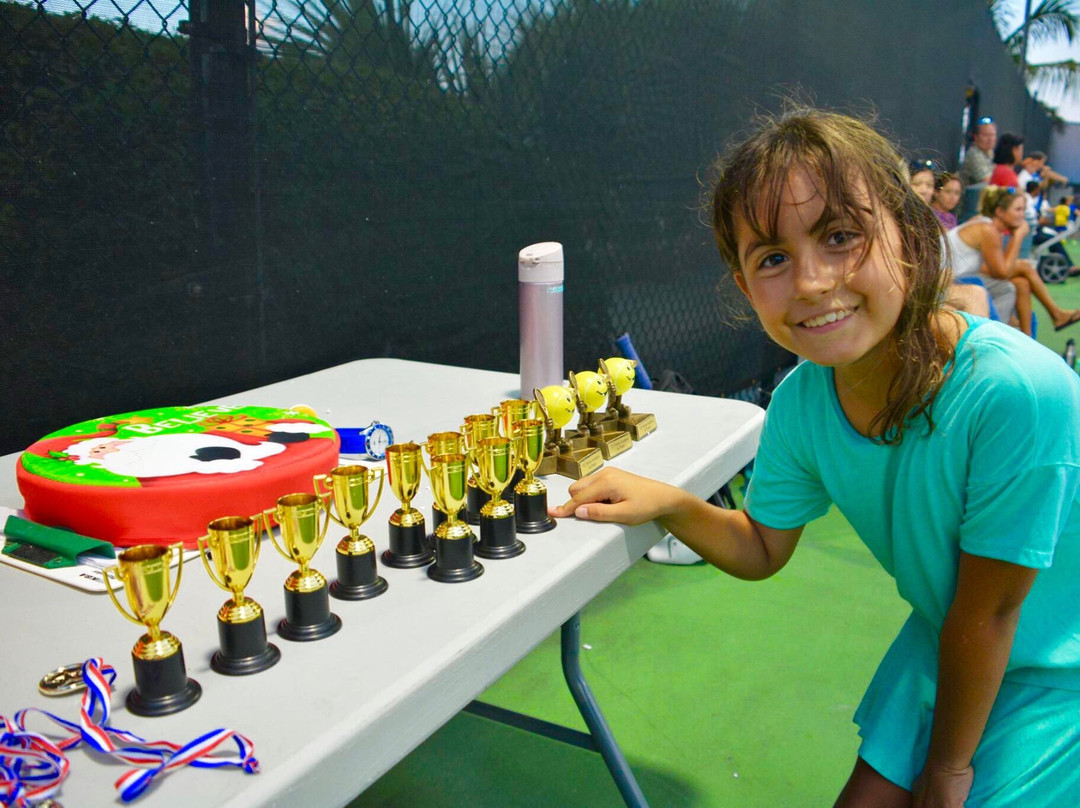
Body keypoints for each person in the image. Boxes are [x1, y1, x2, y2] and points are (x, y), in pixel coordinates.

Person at [551, 107, 1080, 808]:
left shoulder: (1015, 393)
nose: (809, 281)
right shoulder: (803, 402)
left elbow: (991, 617)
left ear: (911, 238)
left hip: (1056, 672)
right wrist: (675, 504)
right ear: (745, 287)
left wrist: (948, 774)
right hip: (948, 635)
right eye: (772, 257)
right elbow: (765, 546)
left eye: (839, 236)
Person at [948, 186, 1080, 334]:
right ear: (1000, 212)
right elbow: (1002, 272)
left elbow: (993, 268)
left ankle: (1027, 340)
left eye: (1023, 210)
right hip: (949, 282)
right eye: (1017, 210)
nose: (1022, 216)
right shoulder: (987, 229)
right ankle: (1056, 314)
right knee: (1024, 268)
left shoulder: (987, 225)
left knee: (1021, 283)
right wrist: (1017, 236)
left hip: (963, 276)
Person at [960, 117, 995, 187]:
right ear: (975, 137)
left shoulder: (991, 153)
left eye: (992, 135)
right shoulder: (973, 154)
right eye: (986, 135)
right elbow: (987, 181)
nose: (990, 139)